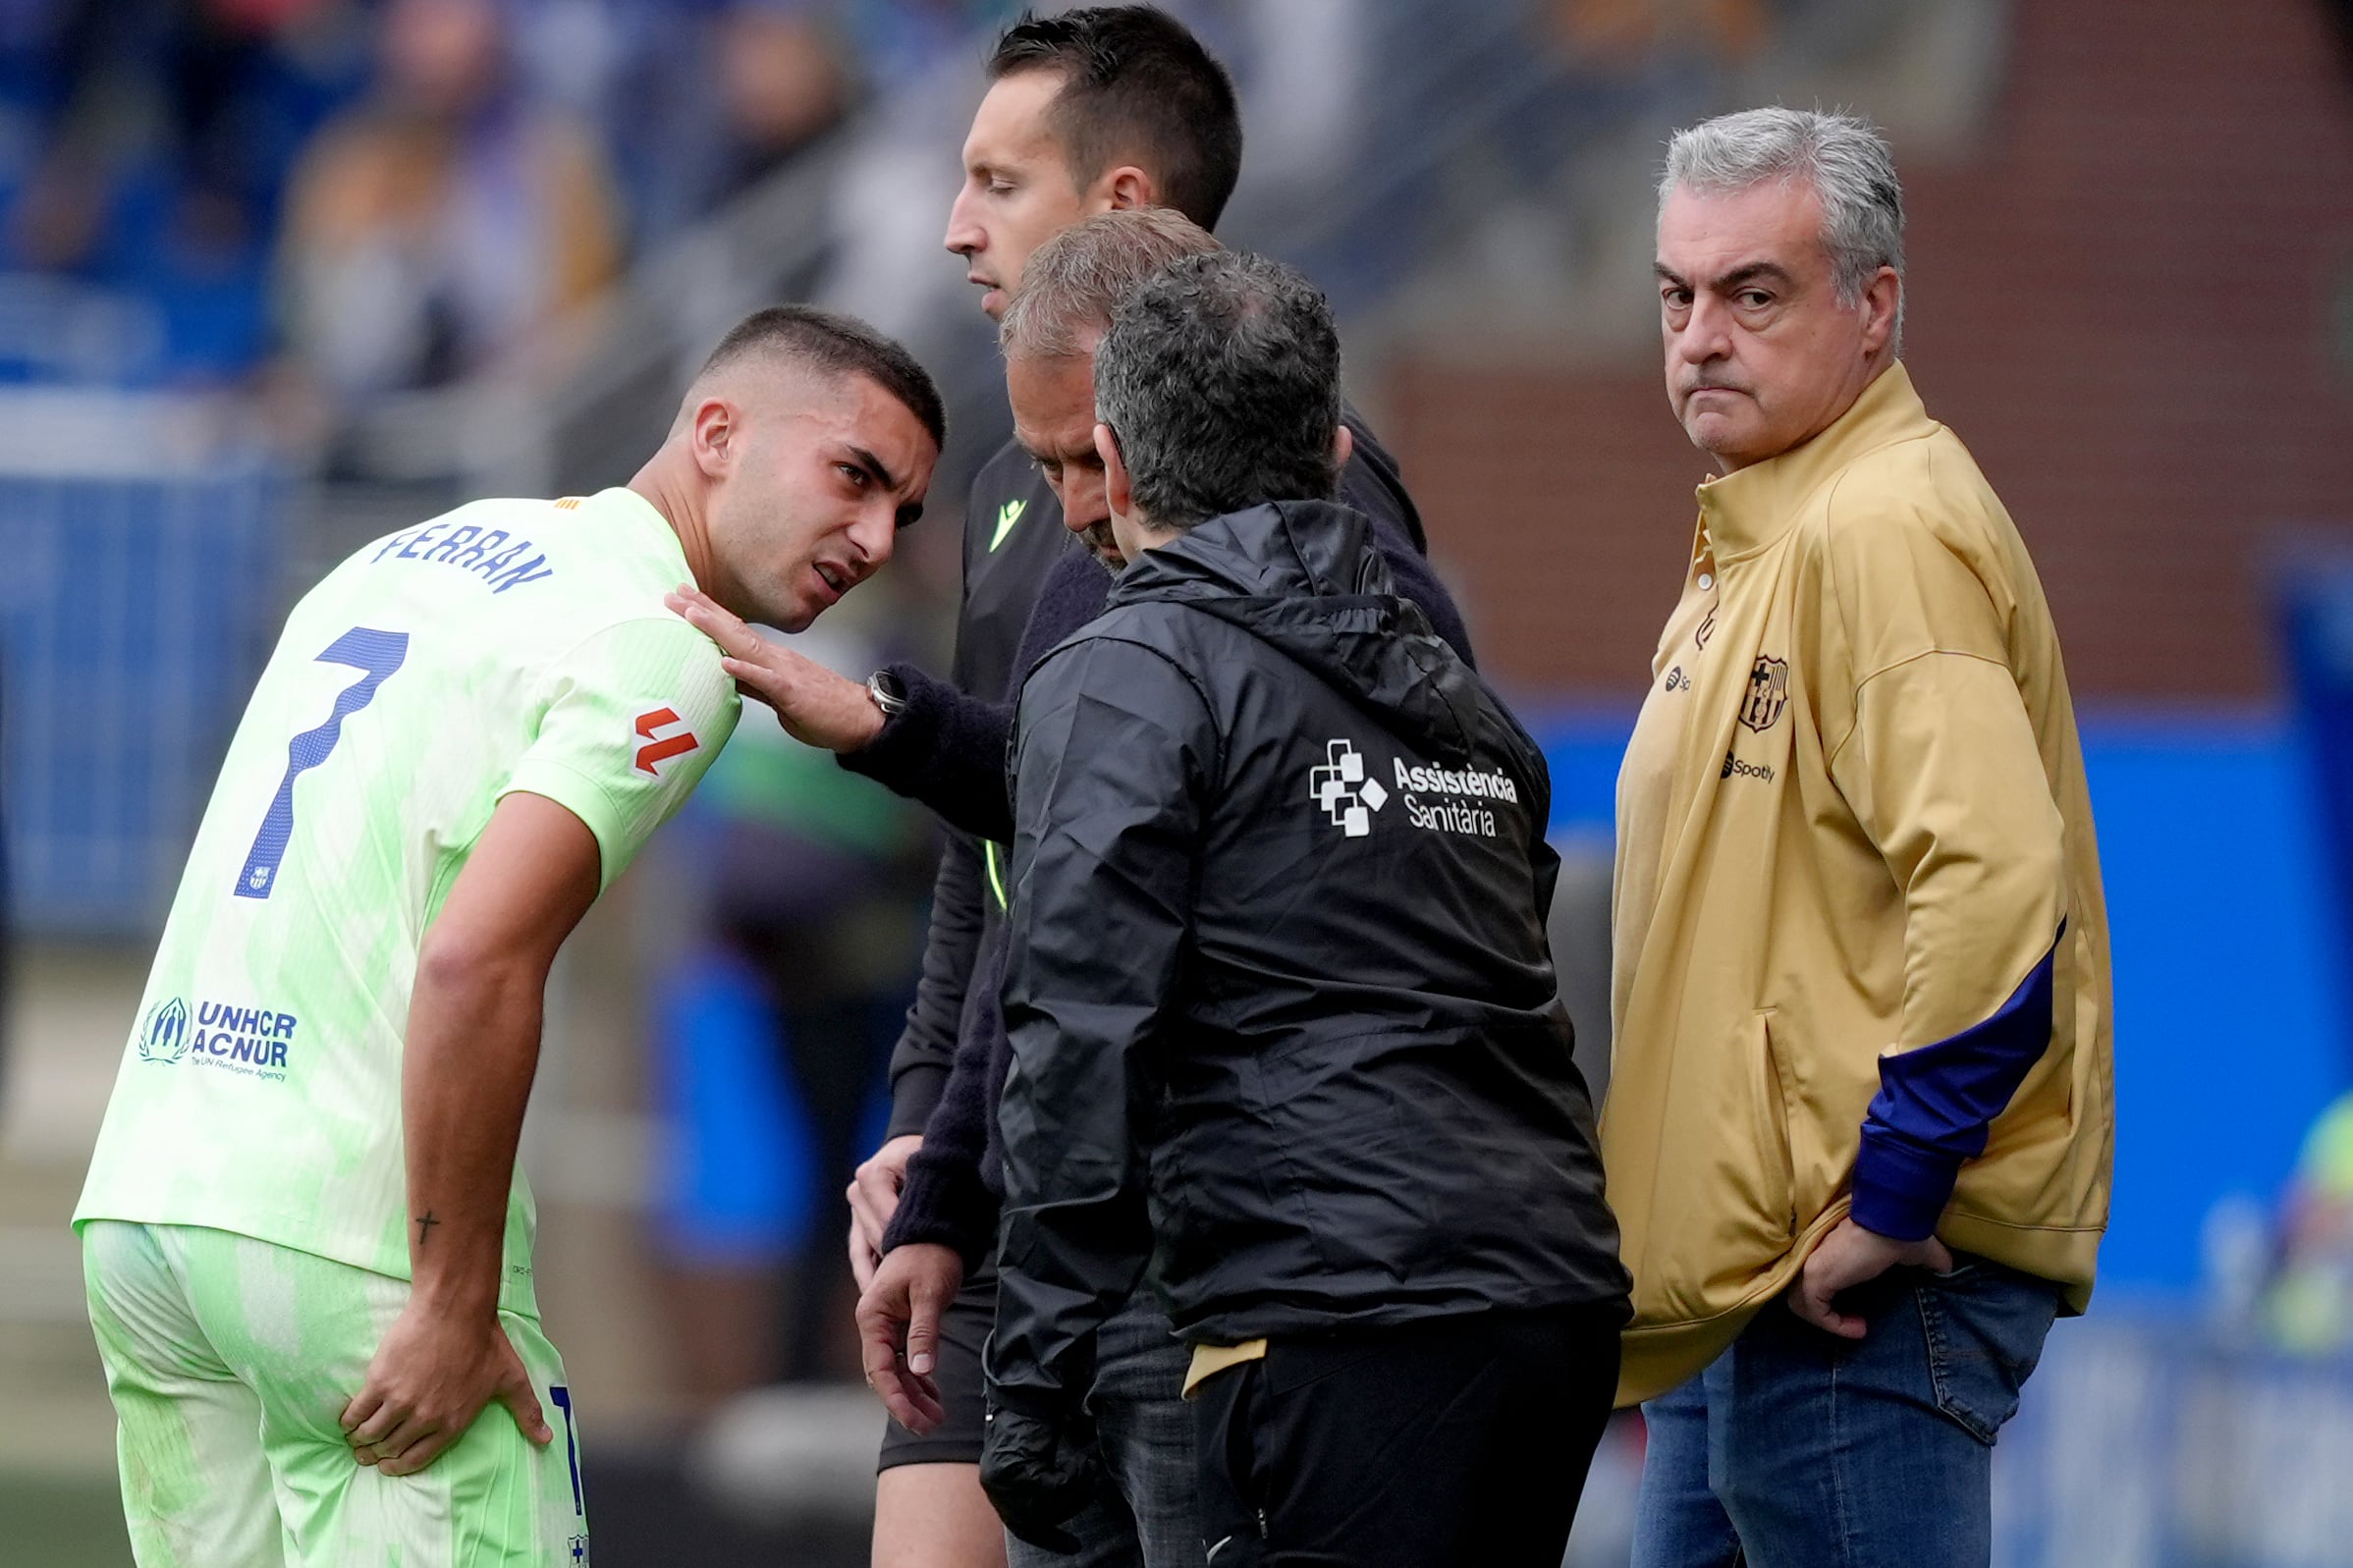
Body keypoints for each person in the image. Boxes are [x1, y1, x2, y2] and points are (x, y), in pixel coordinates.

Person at [671, 13, 1446, 1568]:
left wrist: (887, 725)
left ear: (1120, 206)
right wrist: (921, 1136)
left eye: (995, 181)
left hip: (1188, 1218)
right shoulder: (1016, 484)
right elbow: (999, 858)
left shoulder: (1312, 474)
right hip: (997, 1167)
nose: (955, 224)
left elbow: (1202, 842)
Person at [73, 304, 942, 1568]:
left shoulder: (402, 555)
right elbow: (476, 956)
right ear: (713, 432)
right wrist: (451, 1295)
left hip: (152, 1205)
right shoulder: (664, 643)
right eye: (854, 477)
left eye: (903, 513)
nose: (873, 538)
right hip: (347, 1245)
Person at [977, 247, 1627, 1566]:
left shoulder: (1129, 670)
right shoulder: (1461, 702)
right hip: (1550, 1311)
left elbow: (1082, 1028)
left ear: (1111, 452)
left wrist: (1033, 1376)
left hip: (1328, 1315)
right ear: (1334, 453)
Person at [1613, 107, 2113, 1568]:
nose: (1702, 333)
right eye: (1676, 295)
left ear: (1873, 305)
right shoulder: (1766, 540)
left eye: (1753, 292)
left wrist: (1895, 1193)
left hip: (1860, 1286)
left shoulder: (1882, 527)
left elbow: (1998, 887)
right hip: (1753, 1288)